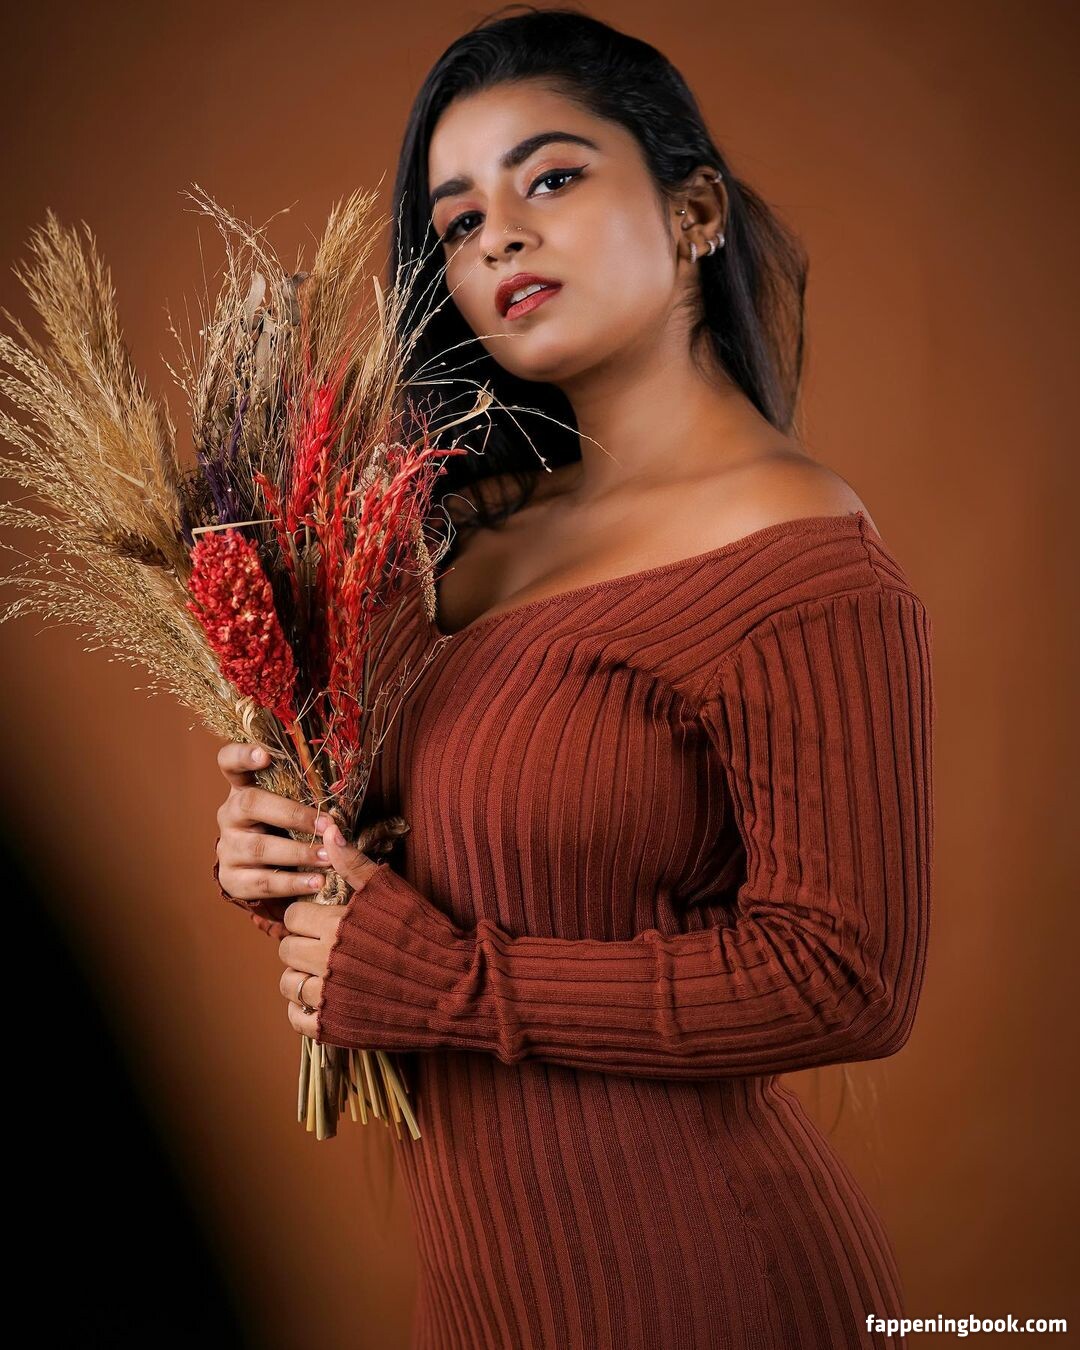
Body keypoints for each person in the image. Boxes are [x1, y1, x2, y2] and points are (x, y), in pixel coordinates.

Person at [213, 7, 934, 1347]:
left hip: (702, 1288)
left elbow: (845, 976)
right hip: (484, 1299)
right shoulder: (458, 540)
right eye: (457, 221)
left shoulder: (800, 557)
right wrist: (299, 862)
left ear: (695, 210)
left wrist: (447, 985)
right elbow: (457, 885)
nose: (498, 237)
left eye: (549, 178)